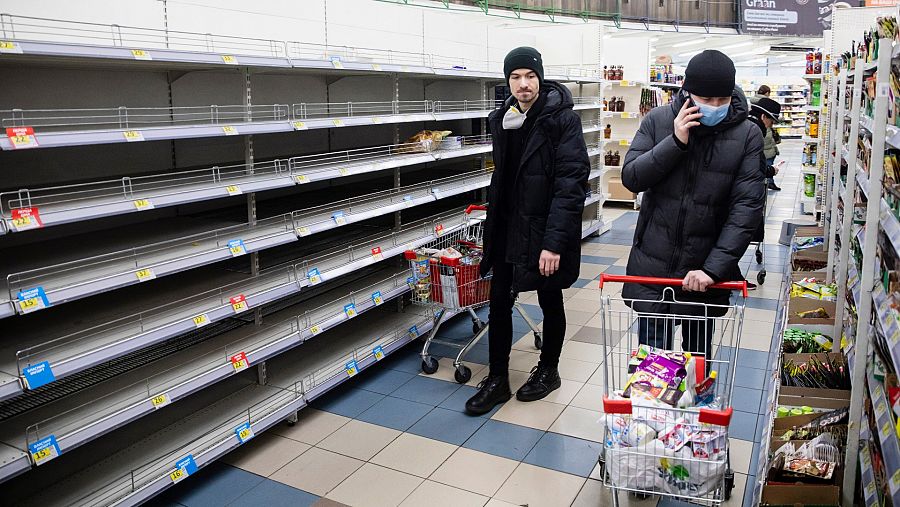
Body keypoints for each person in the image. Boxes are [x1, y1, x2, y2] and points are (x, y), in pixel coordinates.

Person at [465, 46, 590, 415]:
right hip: (507, 226)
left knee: (550, 298)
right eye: (516, 77)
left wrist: (553, 243)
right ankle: (498, 379)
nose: (523, 84)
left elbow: (571, 184)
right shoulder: (501, 118)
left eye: (530, 76)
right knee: (499, 303)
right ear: (507, 82)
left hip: (544, 228)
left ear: (540, 78)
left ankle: (548, 370)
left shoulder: (562, 120)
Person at [620, 49, 764, 358]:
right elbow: (632, 178)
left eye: (721, 101)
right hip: (652, 267)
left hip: (703, 272)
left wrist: (712, 270)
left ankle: (694, 402)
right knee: (653, 369)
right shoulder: (659, 120)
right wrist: (675, 142)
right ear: (687, 91)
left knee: (697, 362)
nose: (713, 107)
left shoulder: (747, 134)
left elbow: (746, 210)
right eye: (705, 100)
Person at [750, 85, 782, 190]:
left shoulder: (749, 125)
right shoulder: (754, 132)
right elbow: (752, 165)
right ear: (763, 116)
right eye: (771, 122)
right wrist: (770, 170)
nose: (771, 125)